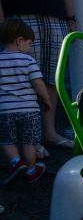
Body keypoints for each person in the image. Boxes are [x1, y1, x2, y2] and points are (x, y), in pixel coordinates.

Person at [0, 0, 77, 156]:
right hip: (19, 18)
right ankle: (28, 141)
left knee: (51, 79)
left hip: (54, 18)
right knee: (23, 81)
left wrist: (71, 18)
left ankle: (48, 132)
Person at [0, 18, 51, 184]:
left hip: (5, 111)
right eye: (29, 44)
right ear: (19, 41)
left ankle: (16, 162)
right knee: (29, 141)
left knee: (6, 140)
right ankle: (30, 169)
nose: (30, 49)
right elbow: (38, 83)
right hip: (30, 110)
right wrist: (46, 99)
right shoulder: (28, 61)